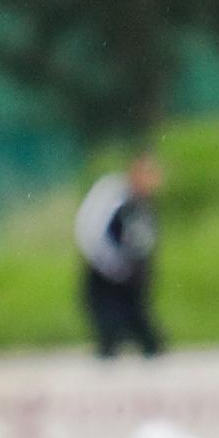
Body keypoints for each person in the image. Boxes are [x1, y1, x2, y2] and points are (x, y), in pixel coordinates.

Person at [74, 151, 164, 358]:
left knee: (147, 336)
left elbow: (145, 241)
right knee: (108, 330)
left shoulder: (146, 202)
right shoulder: (112, 193)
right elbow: (89, 230)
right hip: (104, 272)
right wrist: (114, 265)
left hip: (131, 277)